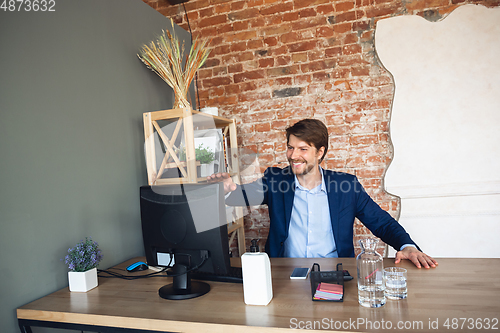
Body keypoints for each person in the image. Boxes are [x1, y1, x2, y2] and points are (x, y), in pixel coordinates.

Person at [208, 119, 438, 269]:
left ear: (320, 152)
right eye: (290, 147)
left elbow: (382, 223)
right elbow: (243, 196)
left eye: (302, 149)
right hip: (284, 273)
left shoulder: (346, 186)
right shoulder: (276, 180)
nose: (293, 155)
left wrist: (407, 246)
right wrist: (230, 188)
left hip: (336, 271)